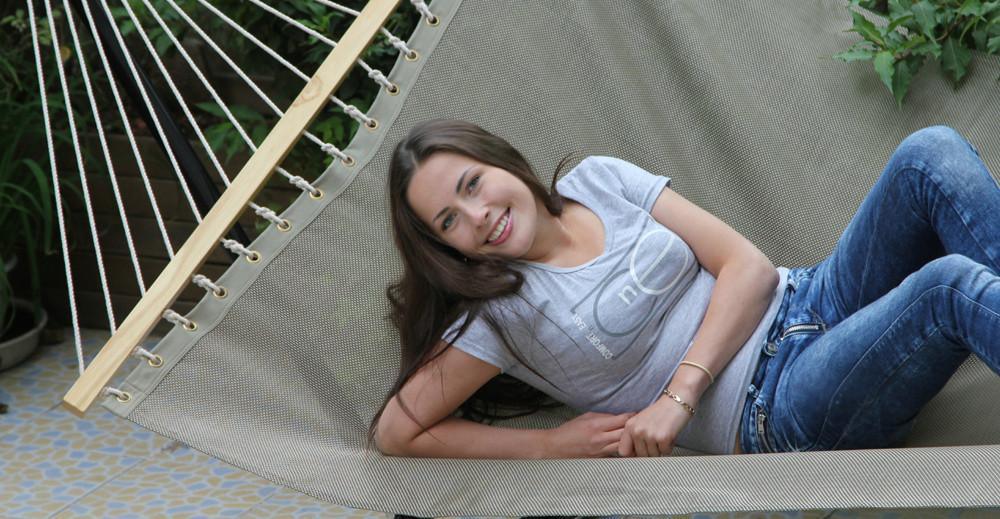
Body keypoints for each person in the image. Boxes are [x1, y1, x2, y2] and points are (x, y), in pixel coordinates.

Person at [366, 119, 1000, 458]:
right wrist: (548, 444)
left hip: (810, 298)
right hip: (776, 408)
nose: (476, 215)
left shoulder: (597, 181)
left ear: (498, 160)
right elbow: (398, 432)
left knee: (929, 153)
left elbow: (746, 267)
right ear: (445, 246)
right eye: (449, 220)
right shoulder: (497, 315)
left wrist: (678, 393)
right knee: (947, 289)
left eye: (472, 184)